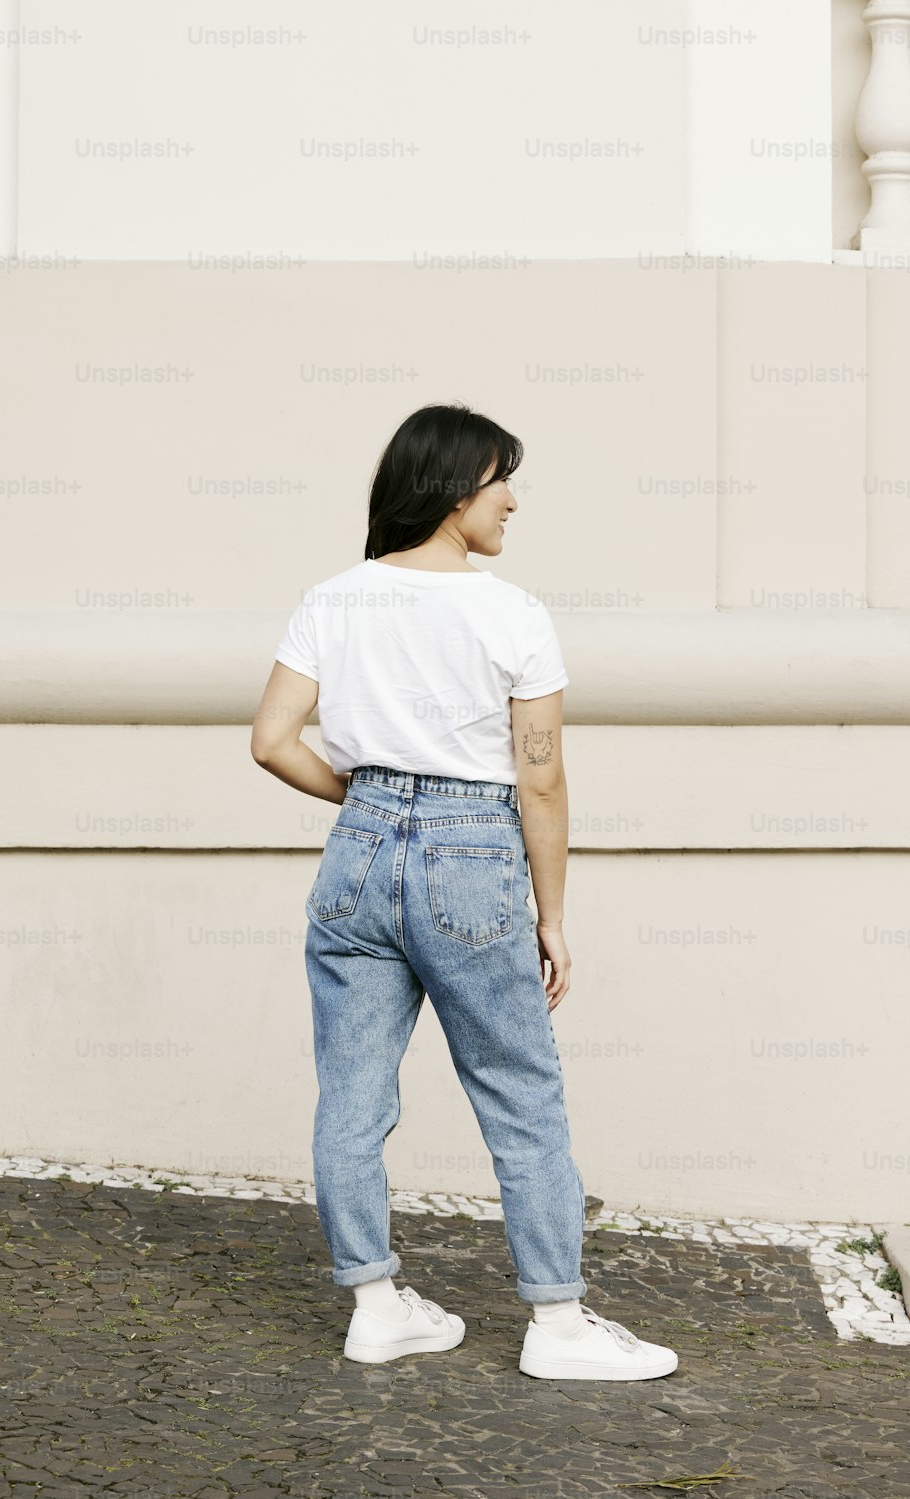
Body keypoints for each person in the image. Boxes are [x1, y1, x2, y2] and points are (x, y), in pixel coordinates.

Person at [252, 402, 677, 1381]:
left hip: (356, 860)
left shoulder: (332, 597)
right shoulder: (511, 612)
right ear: (455, 490)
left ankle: (373, 1303)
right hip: (470, 852)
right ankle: (560, 1324)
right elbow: (538, 776)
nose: (512, 502)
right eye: (501, 483)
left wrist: (364, 801)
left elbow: (272, 740)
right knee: (520, 1091)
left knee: (351, 1096)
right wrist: (554, 916)